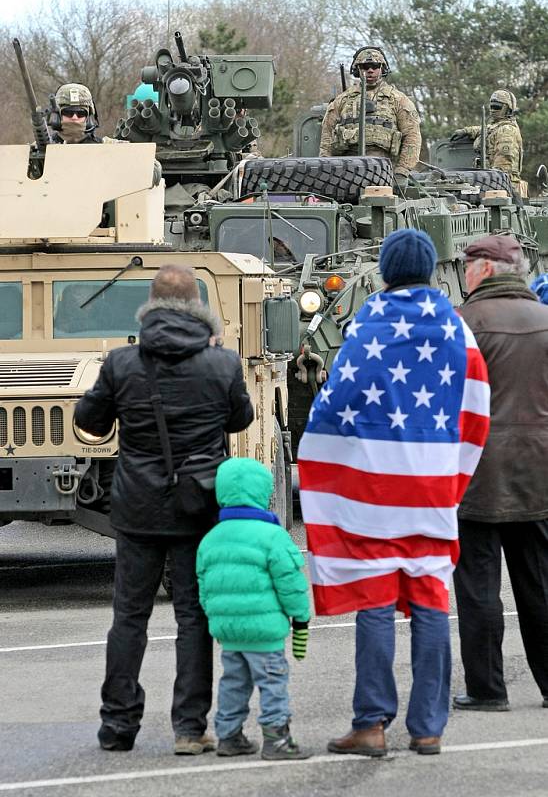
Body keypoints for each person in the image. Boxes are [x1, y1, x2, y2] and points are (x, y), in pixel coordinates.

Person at [298, 228, 490, 756]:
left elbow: (333, 406)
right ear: (432, 269)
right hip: (431, 487)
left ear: (384, 271)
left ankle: (372, 722)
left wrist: (322, 467)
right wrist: (454, 481)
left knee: (376, 601)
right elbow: (477, 414)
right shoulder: (457, 330)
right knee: (431, 601)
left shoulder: (368, 327)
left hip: (372, 491)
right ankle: (428, 726)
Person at [74, 263, 254, 754]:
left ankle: (117, 725)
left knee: (129, 616)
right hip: (198, 506)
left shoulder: (121, 363)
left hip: (137, 508)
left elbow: (88, 420)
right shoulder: (223, 363)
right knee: (193, 616)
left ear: (149, 305)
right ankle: (190, 728)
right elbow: (241, 419)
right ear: (198, 306)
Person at [453, 234, 548, 712]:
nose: (463, 273)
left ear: (486, 269)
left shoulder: (462, 324)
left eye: (467, 265)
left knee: (478, 588)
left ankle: (488, 690)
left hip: (474, 475)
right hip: (539, 474)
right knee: (540, 584)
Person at [196, 456, 310, 760]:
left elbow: (204, 585)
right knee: (272, 683)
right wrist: (300, 616)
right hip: (265, 633)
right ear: (263, 493)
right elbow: (290, 583)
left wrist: (214, 616)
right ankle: (277, 739)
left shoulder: (210, 539)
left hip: (229, 632)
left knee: (233, 683)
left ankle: (229, 735)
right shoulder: (273, 536)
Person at [319, 47, 421, 190]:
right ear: (357, 70)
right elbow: (327, 137)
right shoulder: (342, 100)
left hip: (384, 172)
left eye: (375, 66)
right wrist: (325, 169)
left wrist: (402, 172)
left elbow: (412, 137)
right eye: (365, 67)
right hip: (345, 171)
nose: (370, 70)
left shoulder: (398, 100)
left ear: (382, 68)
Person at [451, 90, 525, 195]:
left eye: (497, 107)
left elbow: (502, 169)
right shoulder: (497, 126)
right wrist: (466, 131)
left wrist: (483, 181)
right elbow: (486, 130)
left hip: (500, 186)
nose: (493, 110)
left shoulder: (507, 131)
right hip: (489, 181)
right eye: (491, 106)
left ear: (507, 108)